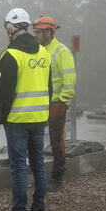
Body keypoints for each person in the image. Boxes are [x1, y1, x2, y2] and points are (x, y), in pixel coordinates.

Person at [0, 7, 52, 211]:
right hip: (39, 118)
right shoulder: (44, 53)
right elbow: (48, 86)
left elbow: (6, 92)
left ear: (10, 29)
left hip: (17, 119)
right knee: (38, 165)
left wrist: (2, 115)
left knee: (19, 167)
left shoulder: (10, 55)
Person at [33, 15, 76, 191]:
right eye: (34, 32)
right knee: (36, 140)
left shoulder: (61, 51)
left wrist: (63, 101)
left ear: (49, 32)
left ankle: (57, 178)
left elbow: (70, 80)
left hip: (56, 104)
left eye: (38, 32)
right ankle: (41, 176)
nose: (35, 35)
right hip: (42, 104)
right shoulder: (39, 50)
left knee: (56, 141)